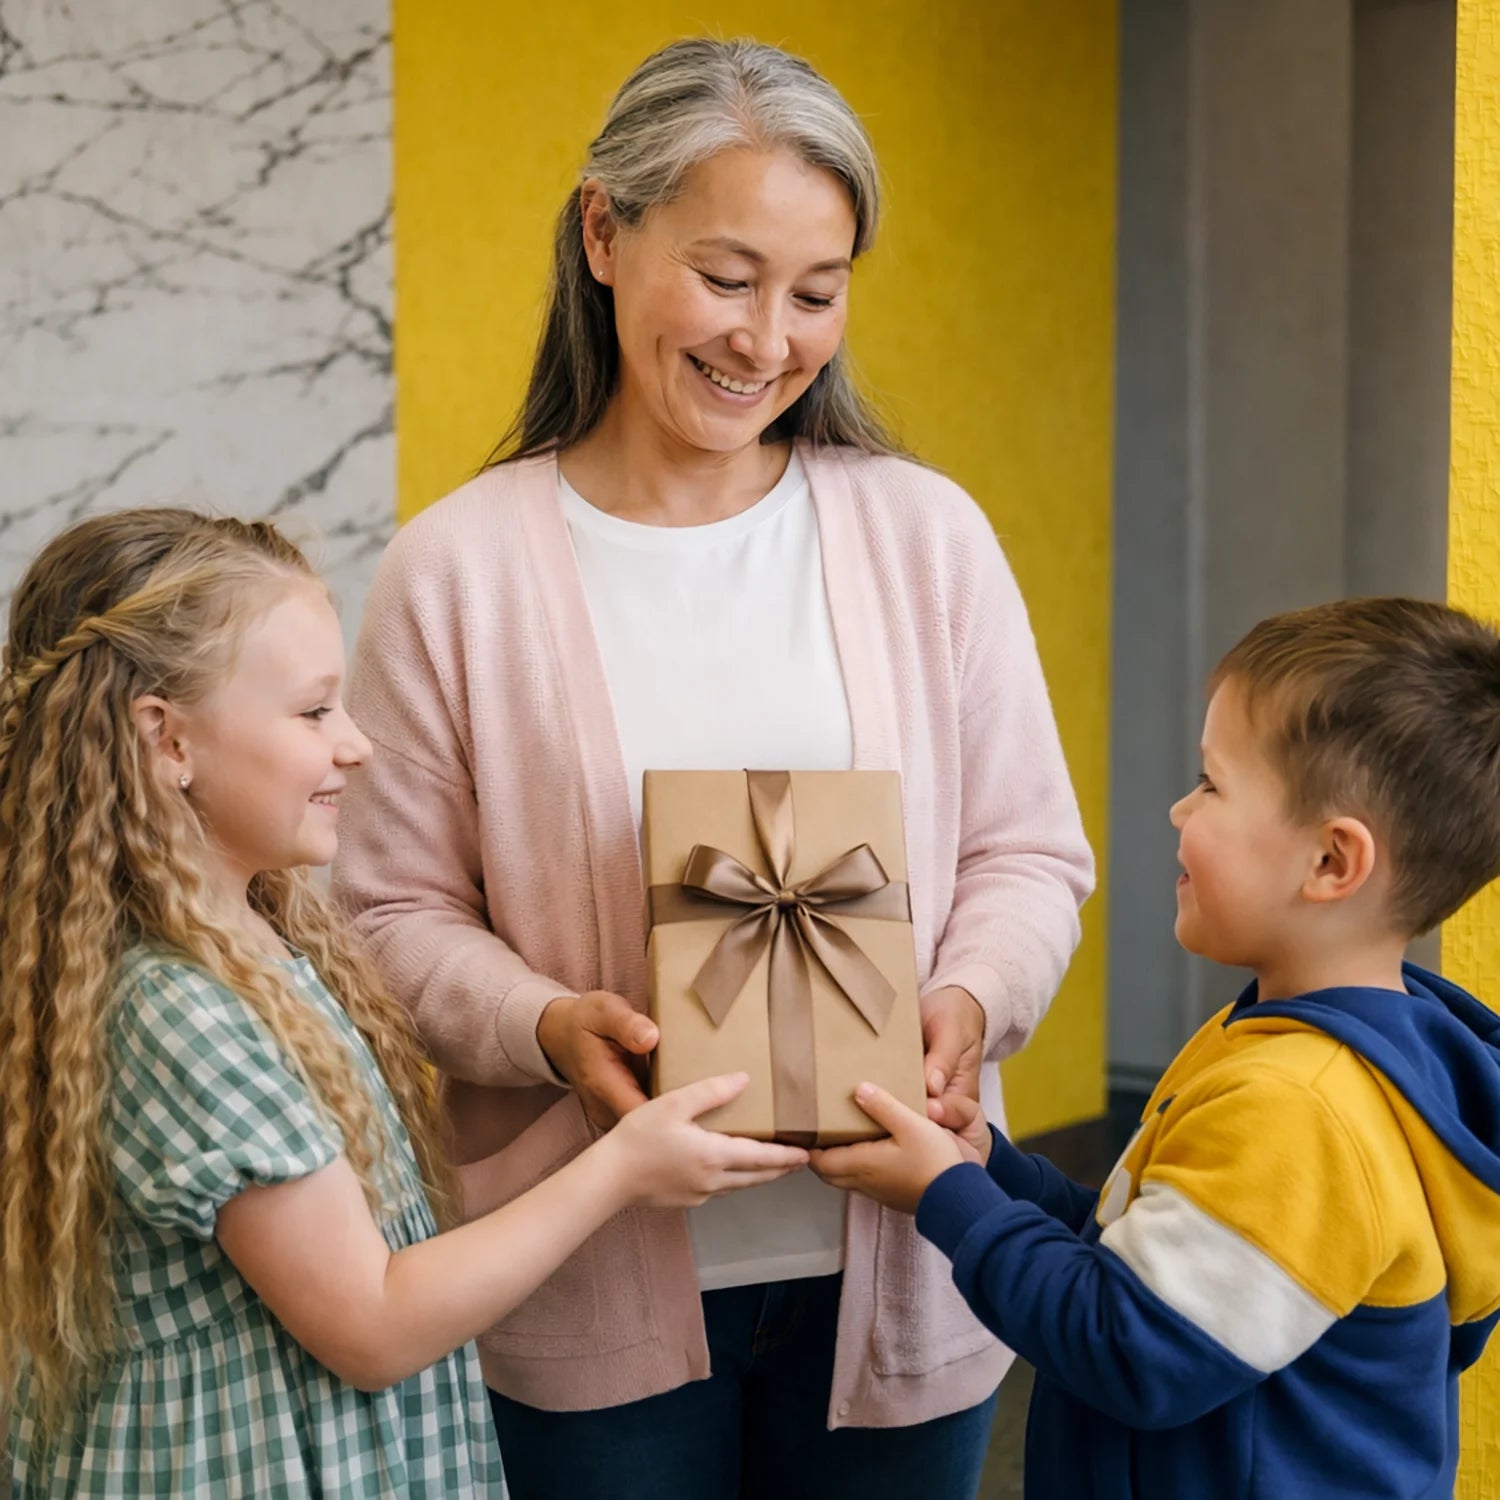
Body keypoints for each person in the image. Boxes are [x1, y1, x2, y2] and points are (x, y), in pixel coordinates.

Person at [333, 34, 1094, 1500]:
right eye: (728, 278)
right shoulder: (458, 570)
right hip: (583, 1276)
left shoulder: (924, 535)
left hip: (903, 1261)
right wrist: (550, 1021)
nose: (768, 340)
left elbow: (1027, 856)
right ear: (604, 234)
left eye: (816, 293)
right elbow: (384, 917)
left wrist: (965, 1002)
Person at [0, 508, 806, 1498]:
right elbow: (373, 1325)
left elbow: (370, 1228)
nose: (358, 748)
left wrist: (602, 1097)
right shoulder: (179, 1010)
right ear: (167, 740)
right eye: (313, 712)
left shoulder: (262, 944)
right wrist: (621, 1173)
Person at [814, 596, 1500, 1500]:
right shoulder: (1310, 1047)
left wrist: (948, 1199)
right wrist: (991, 1169)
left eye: (1213, 785)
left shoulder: (1301, 1108)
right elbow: (1144, 1259)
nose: (1180, 809)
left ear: (1332, 862)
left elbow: (1127, 1347)